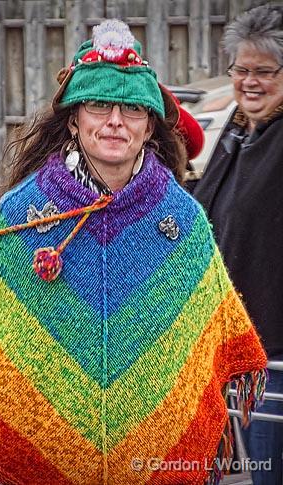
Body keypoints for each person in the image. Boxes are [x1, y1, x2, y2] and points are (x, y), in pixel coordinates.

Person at [0, 19, 267, 485]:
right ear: (74, 118)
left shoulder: (184, 221)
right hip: (35, 458)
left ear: (150, 125)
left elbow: (204, 342)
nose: (114, 121)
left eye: (132, 109)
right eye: (98, 104)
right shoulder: (22, 212)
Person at [191, 5, 283, 485]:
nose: (249, 81)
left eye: (264, 71)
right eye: (241, 70)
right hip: (232, 344)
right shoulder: (239, 127)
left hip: (276, 351)